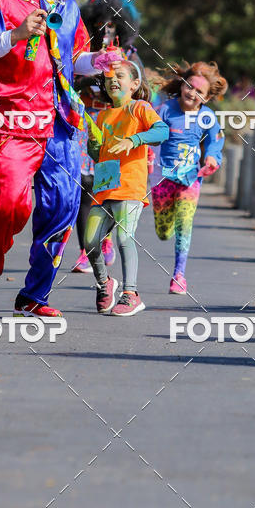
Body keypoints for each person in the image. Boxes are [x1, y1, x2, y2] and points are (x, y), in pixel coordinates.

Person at [0, 0, 114, 317]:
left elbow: (72, 59)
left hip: (59, 122)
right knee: (11, 202)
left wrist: (98, 62)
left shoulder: (70, 8)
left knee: (62, 207)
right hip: (15, 120)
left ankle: (34, 296)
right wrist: (15, 34)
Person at [84, 59, 168, 316]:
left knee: (123, 237)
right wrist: (94, 146)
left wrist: (134, 140)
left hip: (131, 187)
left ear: (134, 84)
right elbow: (97, 154)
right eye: (108, 76)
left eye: (119, 75)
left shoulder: (139, 108)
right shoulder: (102, 115)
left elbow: (162, 131)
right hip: (105, 188)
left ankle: (130, 293)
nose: (112, 80)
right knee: (90, 242)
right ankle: (104, 283)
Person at [72, 0, 142, 273]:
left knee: (106, 186)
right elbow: (67, 81)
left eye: (113, 23)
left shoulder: (130, 55)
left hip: (116, 123)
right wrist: (87, 79)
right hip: (85, 121)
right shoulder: (82, 51)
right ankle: (85, 250)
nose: (106, 28)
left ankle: (107, 240)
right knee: (83, 186)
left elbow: (142, 92)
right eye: (101, 21)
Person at [151, 61, 227, 295]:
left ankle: (179, 275)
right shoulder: (165, 109)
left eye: (199, 92)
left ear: (205, 98)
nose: (192, 93)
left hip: (190, 178)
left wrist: (213, 158)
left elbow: (216, 140)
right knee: (164, 232)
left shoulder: (207, 117)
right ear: (182, 85)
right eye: (189, 87)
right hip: (162, 176)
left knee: (185, 222)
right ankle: (167, 225)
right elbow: (149, 132)